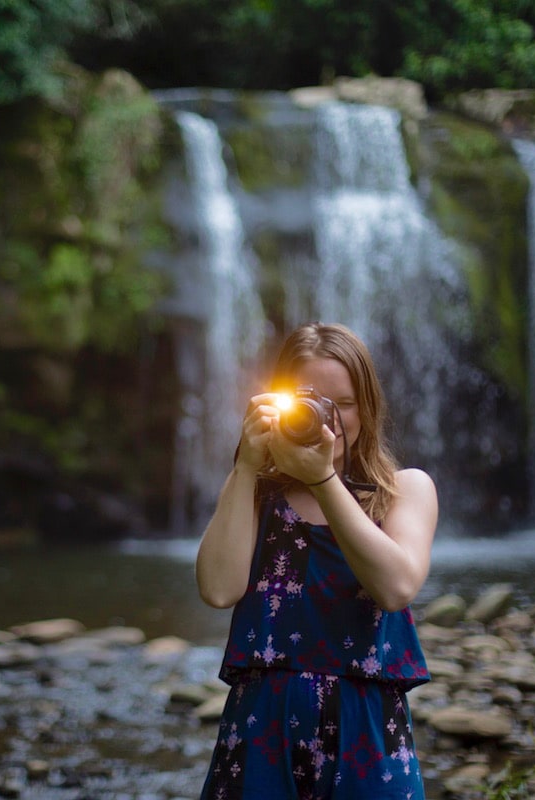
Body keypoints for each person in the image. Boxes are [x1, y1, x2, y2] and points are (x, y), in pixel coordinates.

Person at [196, 322, 438, 799]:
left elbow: (396, 588)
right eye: (309, 398)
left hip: (367, 724)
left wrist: (325, 480)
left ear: (368, 408)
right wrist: (246, 463)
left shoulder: (404, 490)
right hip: (261, 721)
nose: (327, 416)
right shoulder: (254, 492)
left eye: (344, 403)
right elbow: (218, 589)